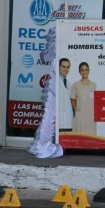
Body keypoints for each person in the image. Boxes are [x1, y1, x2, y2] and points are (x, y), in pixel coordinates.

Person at [28, 27, 63, 158]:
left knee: (50, 114)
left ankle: (44, 139)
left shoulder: (57, 61)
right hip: (55, 84)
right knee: (50, 114)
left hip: (56, 84)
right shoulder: (55, 61)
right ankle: (43, 140)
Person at [70, 61, 97, 134]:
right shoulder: (76, 85)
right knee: (79, 137)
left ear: (89, 70)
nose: (84, 72)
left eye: (86, 69)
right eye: (82, 70)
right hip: (80, 115)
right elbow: (73, 99)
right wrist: (76, 108)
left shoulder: (94, 85)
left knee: (91, 137)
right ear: (79, 72)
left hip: (91, 116)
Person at [56, 58, 73, 131]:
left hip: (68, 123)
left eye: (68, 67)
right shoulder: (54, 81)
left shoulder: (68, 83)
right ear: (58, 67)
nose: (66, 69)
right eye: (63, 66)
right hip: (58, 123)